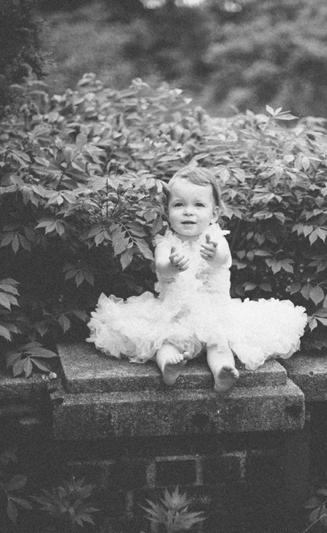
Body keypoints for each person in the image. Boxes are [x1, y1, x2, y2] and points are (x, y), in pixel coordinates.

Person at [87, 166, 308, 392]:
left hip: (215, 314)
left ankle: (223, 373)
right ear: (167, 211)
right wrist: (171, 266)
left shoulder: (216, 238)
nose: (188, 212)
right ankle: (169, 368)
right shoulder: (166, 242)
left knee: (220, 344)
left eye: (199, 205)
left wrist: (214, 255)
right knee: (163, 343)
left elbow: (222, 259)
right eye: (179, 204)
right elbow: (162, 269)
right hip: (175, 315)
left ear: (214, 214)